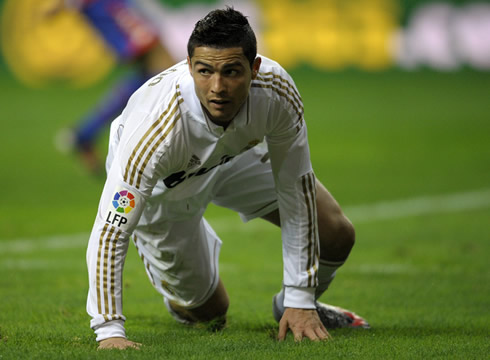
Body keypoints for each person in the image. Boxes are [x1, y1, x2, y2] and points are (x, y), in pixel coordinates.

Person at [86, 7, 369, 350]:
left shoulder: (277, 92)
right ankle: (180, 293)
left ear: (255, 69)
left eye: (232, 72)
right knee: (210, 313)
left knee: (336, 233)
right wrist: (109, 331)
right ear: (189, 67)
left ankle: (293, 306)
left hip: (233, 157)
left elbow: (296, 189)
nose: (217, 87)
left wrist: (301, 297)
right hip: (165, 191)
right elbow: (110, 230)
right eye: (205, 71)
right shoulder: (153, 132)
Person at [53, 0, 175, 174]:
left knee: (154, 76)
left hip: (114, 7)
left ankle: (85, 134)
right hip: (110, 8)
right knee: (163, 71)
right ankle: (166, 148)